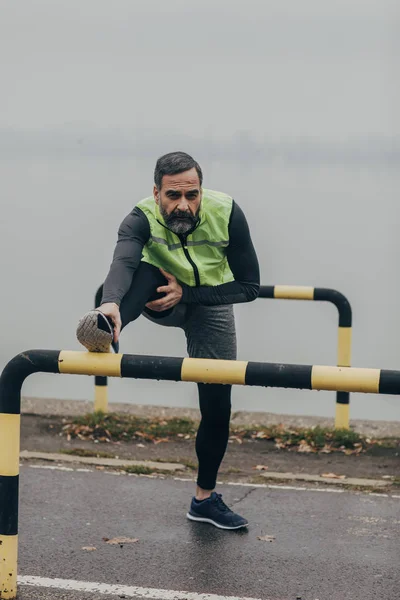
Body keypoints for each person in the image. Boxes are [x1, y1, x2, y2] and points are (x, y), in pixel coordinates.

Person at [77, 151, 260, 530]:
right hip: (158, 294)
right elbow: (124, 261)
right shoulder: (139, 217)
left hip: (209, 302)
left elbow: (249, 286)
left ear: (200, 192)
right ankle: (107, 325)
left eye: (191, 195)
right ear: (157, 192)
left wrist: (188, 294)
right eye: (173, 196)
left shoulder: (226, 213)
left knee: (217, 406)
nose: (183, 205)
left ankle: (204, 500)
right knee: (143, 268)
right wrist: (110, 300)